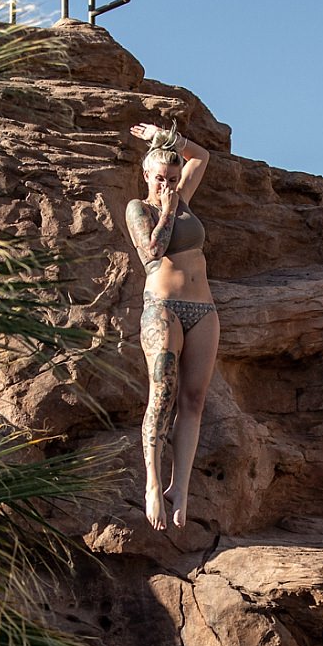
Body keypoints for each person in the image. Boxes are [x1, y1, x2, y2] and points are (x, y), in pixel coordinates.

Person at [123, 120, 216, 530]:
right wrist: (168, 208)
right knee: (162, 396)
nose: (167, 183)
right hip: (163, 308)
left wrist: (168, 138)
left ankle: (181, 488)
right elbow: (152, 252)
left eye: (173, 178)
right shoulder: (139, 208)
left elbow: (203, 156)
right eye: (160, 177)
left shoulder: (184, 197)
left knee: (193, 401)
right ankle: (152, 484)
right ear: (146, 175)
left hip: (204, 310)